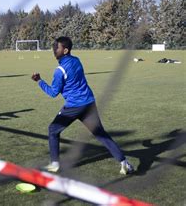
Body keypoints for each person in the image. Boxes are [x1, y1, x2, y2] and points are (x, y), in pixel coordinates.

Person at [31, 36, 134, 175]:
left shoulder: (59, 70)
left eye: (57, 47)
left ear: (65, 50)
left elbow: (53, 93)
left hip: (74, 107)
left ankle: (55, 164)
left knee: (53, 130)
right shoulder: (76, 60)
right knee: (100, 134)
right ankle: (124, 163)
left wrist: (39, 81)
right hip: (89, 103)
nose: (54, 49)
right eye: (54, 46)